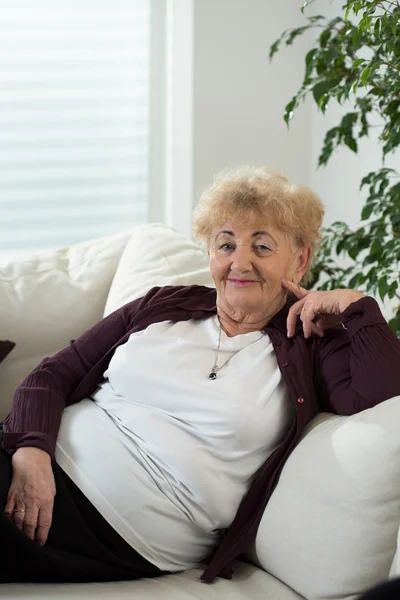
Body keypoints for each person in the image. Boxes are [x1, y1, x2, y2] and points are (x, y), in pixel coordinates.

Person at [1, 166, 400, 586]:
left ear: (299, 260)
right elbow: (53, 373)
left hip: (109, 529)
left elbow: (386, 399)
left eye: (261, 246)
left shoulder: (310, 345)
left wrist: (359, 308)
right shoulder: (161, 304)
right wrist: (30, 452)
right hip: (31, 469)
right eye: (225, 244)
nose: (239, 262)